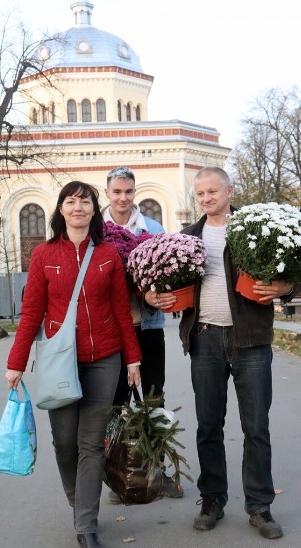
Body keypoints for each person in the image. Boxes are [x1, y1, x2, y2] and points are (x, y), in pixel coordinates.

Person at [153, 166, 296, 539]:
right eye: (200, 194)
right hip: (204, 341)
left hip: (250, 341)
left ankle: (260, 506)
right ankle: (212, 498)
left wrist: (285, 287)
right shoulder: (186, 239)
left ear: (230, 191)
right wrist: (157, 295)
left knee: (256, 427)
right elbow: (164, 287)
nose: (206, 199)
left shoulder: (255, 232)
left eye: (213, 192)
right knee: (208, 426)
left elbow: (293, 272)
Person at [5, 181, 142, 548]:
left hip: (104, 360)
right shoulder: (43, 255)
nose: (78, 207)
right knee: (64, 443)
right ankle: (79, 500)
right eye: (71, 201)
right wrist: (16, 362)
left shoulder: (109, 254)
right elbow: (31, 311)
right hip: (58, 362)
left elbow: (121, 310)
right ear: (61, 210)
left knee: (90, 444)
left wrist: (132, 359)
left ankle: (86, 525)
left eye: (85, 201)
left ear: (93, 210)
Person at [101, 166, 183, 501]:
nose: (123, 198)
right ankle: (118, 475)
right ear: (107, 193)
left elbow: (169, 275)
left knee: (153, 398)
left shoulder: (152, 229)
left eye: (129, 192)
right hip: (111, 331)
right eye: (117, 192)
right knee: (115, 402)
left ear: (135, 193)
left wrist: (156, 293)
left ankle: (156, 471)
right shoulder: (97, 230)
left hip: (146, 328)